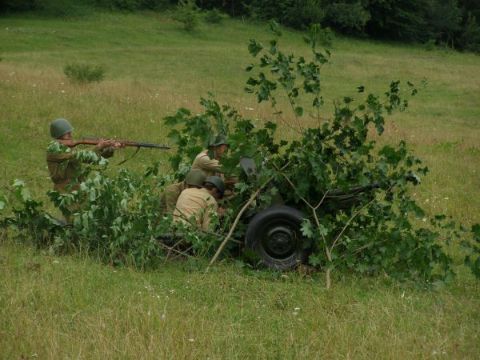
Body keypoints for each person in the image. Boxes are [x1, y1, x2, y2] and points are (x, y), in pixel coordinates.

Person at [46, 118, 123, 193]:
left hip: (78, 188)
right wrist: (99, 147)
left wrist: (111, 148)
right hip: (65, 190)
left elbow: (91, 158)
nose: (70, 134)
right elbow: (80, 156)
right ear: (59, 133)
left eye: (70, 132)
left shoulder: (69, 147)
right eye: (67, 133)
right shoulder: (54, 149)